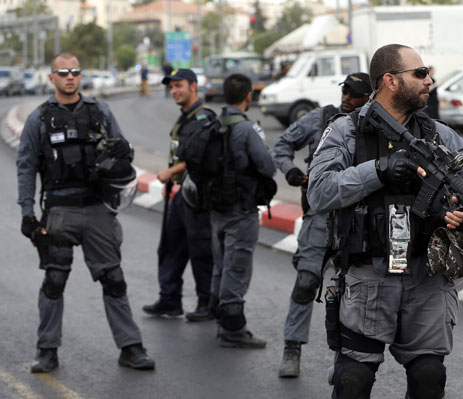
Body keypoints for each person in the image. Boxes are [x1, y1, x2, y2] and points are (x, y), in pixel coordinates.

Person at [307, 44, 463, 398]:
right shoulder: (346, 131)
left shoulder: (436, 134)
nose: (430, 80)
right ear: (390, 81)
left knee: (429, 376)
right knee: (353, 378)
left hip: (426, 275)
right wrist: (377, 171)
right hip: (370, 274)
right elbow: (319, 192)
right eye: (420, 73)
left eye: (428, 73)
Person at [17, 52, 155, 373]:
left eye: (75, 71)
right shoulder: (39, 119)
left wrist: (124, 150)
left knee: (114, 279)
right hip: (59, 210)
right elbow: (25, 168)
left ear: (81, 76)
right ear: (52, 77)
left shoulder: (101, 112)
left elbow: (124, 153)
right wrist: (27, 213)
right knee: (54, 280)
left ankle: (130, 347)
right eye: (63, 72)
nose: (70, 77)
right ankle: (47, 350)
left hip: (97, 210)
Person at [273, 72, 372, 378]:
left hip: (358, 218)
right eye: (345, 90)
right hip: (320, 214)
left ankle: (345, 358)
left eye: (354, 94)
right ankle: (292, 347)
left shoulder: (375, 124)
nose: (347, 97)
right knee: (306, 281)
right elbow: (282, 144)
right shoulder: (322, 118)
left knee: (352, 290)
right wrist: (290, 171)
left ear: (368, 98)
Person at [207, 74, 276, 348]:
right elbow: (267, 167)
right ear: (248, 96)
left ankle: (218, 314)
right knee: (237, 267)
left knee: (221, 264)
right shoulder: (247, 129)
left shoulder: (214, 123)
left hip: (216, 207)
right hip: (242, 209)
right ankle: (232, 329)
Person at [142, 68, 216, 322]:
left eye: (179, 86)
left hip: (197, 198)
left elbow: (199, 157)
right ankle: (169, 299)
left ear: (193, 86)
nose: (174, 91)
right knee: (170, 248)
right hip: (180, 194)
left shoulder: (203, 118)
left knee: (201, 252)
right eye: (171, 87)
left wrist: (169, 172)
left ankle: (207, 303)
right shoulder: (185, 117)